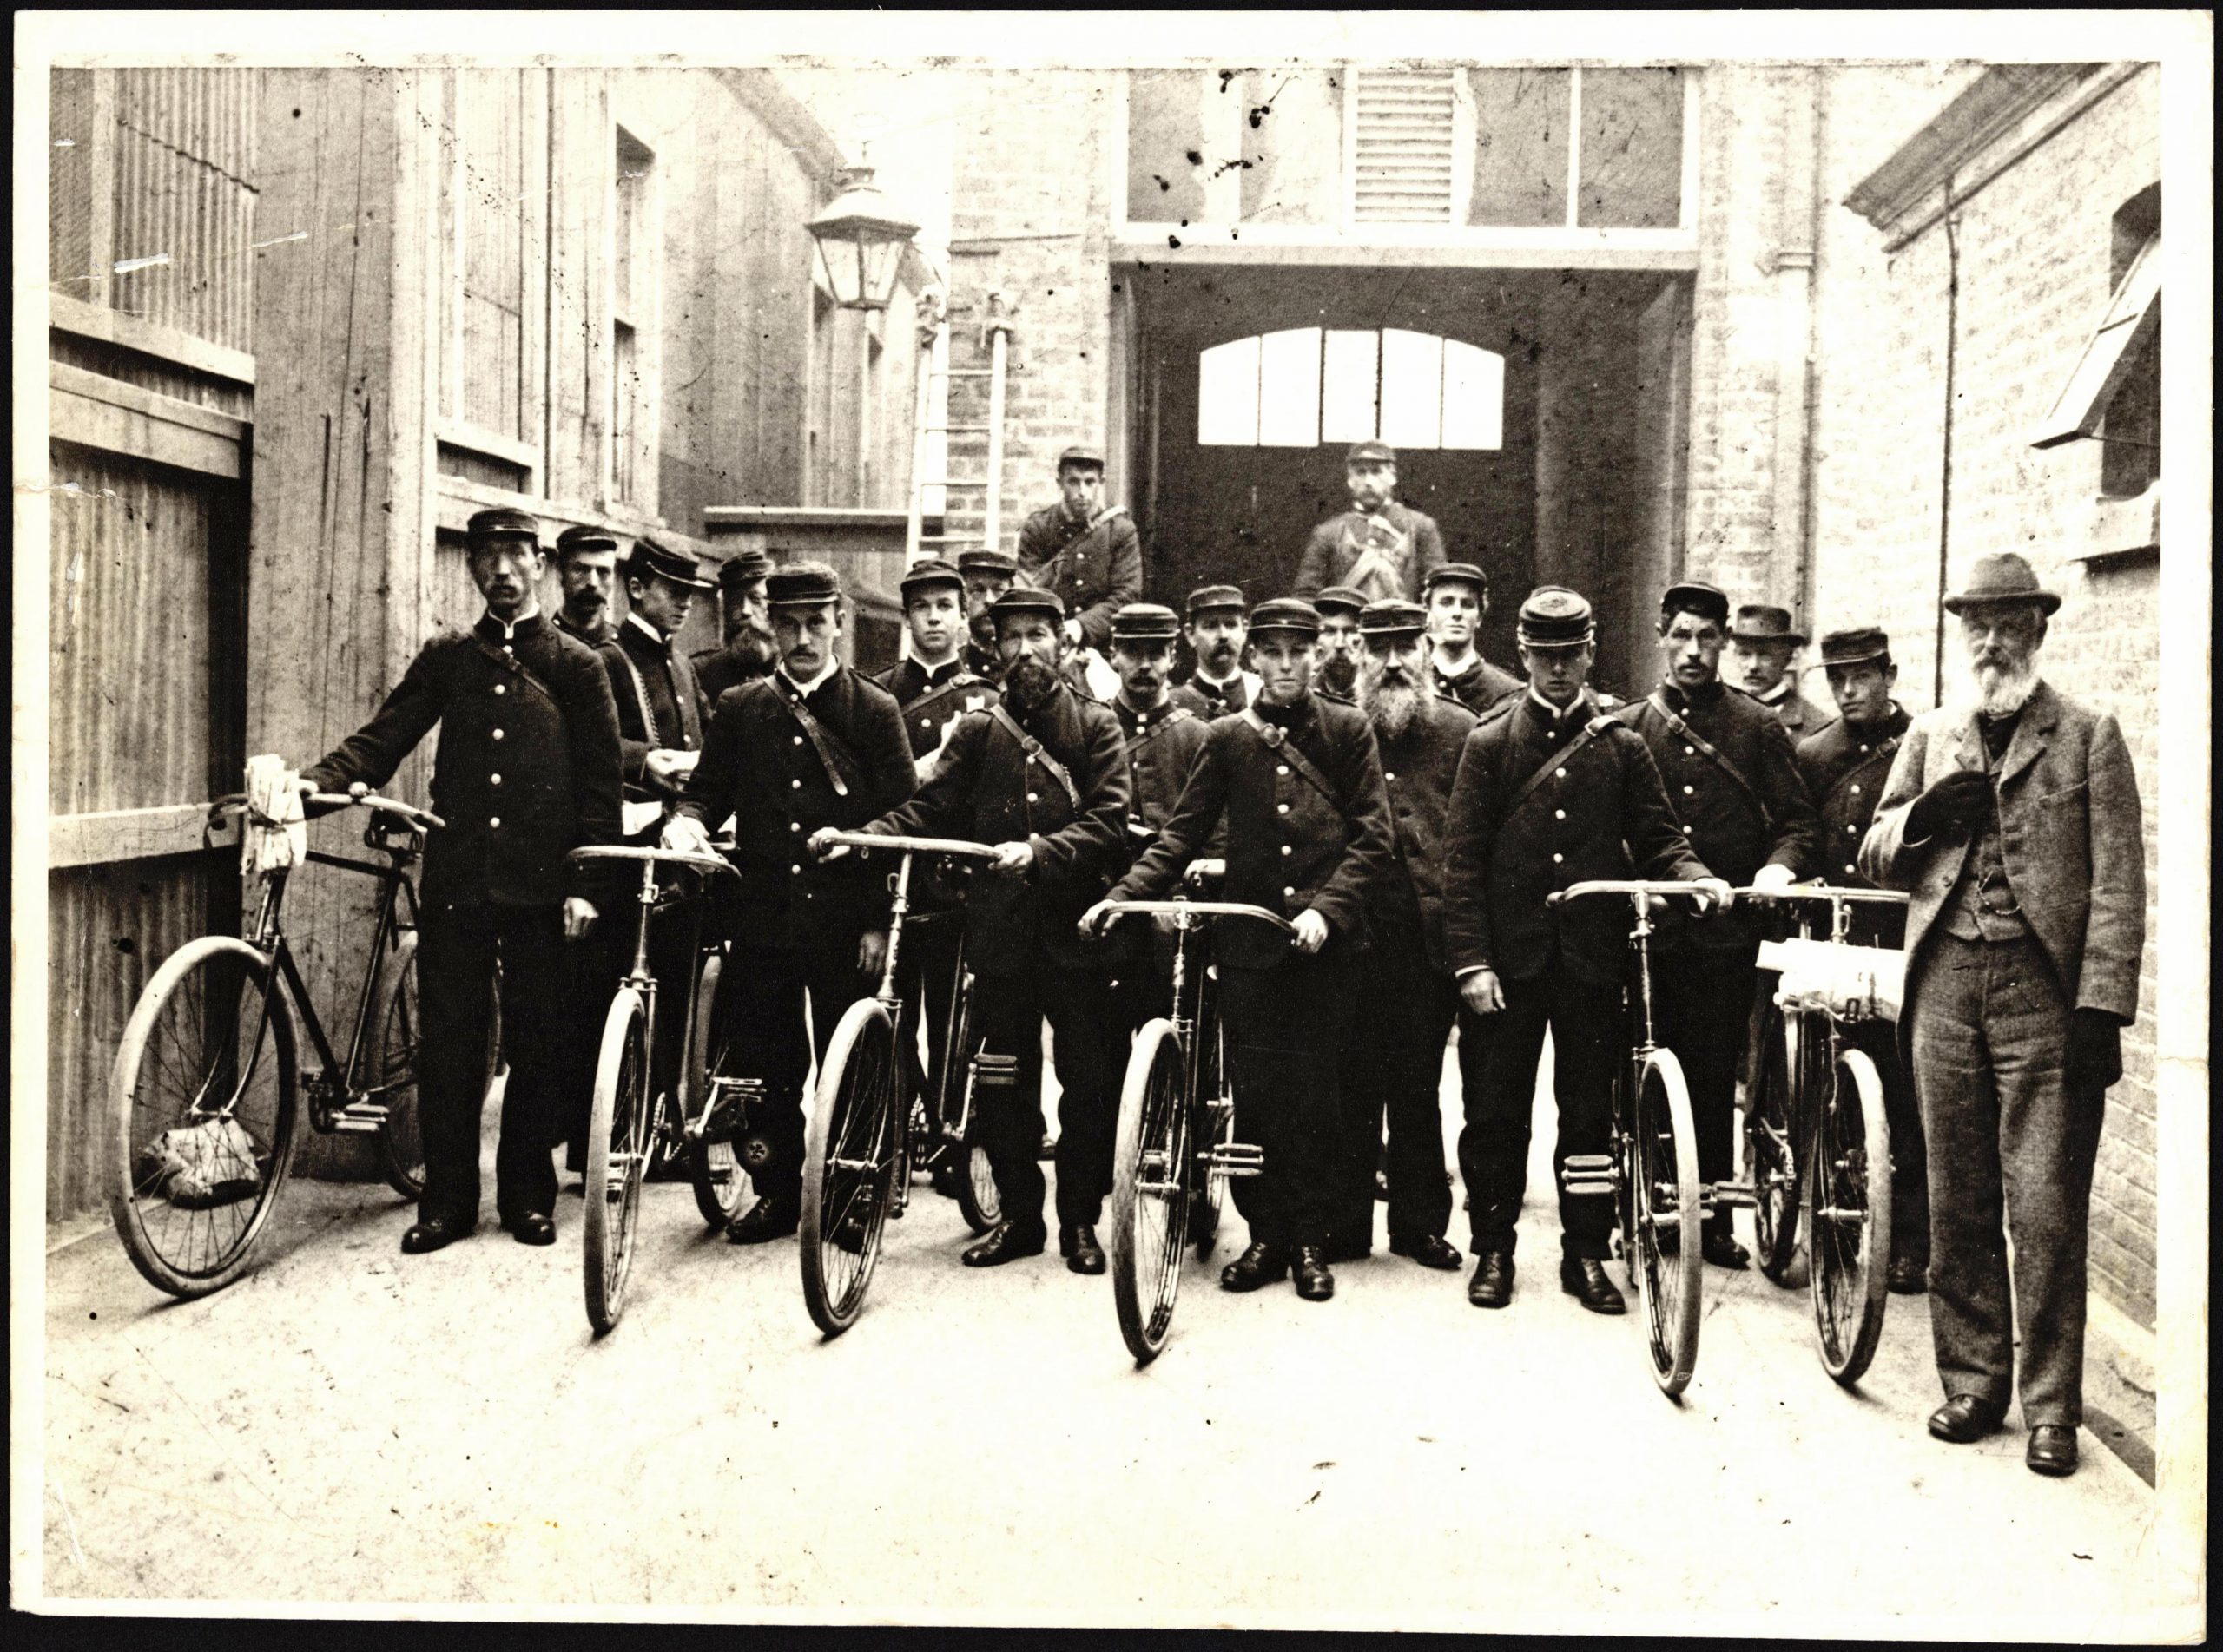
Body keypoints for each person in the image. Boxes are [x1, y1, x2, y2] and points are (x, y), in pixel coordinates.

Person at [1861, 552, 2145, 1478]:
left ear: (2038, 629)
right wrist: (1922, 820)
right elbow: (1871, 854)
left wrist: (2100, 1005)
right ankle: (1974, 1381)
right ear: (1960, 634)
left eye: (2009, 623)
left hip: (2040, 994)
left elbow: (2116, 887)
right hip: (1943, 980)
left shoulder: (2086, 735)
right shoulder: (1932, 735)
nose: (1992, 640)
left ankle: (2052, 1407)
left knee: (2047, 1204)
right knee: (1958, 1196)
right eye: (1976, 625)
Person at [301, 508, 622, 1254]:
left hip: (546, 887)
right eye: (488, 558)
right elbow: (383, 737)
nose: (503, 572)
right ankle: (446, 1202)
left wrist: (586, 884)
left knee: (540, 1037)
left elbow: (601, 787)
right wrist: (314, 782)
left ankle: (527, 1196)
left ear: (537, 565)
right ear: (473, 568)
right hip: (459, 881)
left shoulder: (577, 665)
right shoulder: (451, 656)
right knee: (451, 1042)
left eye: (515, 556)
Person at [1092, 599, 1396, 1304]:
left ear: (1318, 655)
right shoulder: (1229, 736)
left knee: (1317, 1094)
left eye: (1298, 651)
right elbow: (1183, 831)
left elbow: (1373, 839)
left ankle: (1311, 1238)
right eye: (1273, 651)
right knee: (1256, 1094)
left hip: (1325, 950)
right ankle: (1265, 1234)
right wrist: (1125, 894)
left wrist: (1328, 909)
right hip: (1252, 946)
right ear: (1255, 657)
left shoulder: (1348, 729)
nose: (1286, 664)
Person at [1446, 588, 1724, 1312]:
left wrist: (1695, 879)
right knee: (1495, 1110)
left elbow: (1661, 838)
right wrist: (1473, 962)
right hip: (1508, 967)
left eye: (1571, 655)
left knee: (1589, 1113)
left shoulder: (1621, 747)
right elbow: (1462, 865)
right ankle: (1494, 1249)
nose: (1559, 670)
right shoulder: (1490, 741)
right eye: (1545, 655)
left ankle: (1586, 1251)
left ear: (1590, 652)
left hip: (1591, 964)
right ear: (1524, 653)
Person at [842, 587, 1131, 1272]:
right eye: (1011, 638)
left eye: (1038, 634)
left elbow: (1111, 819)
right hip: (1000, 936)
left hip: (1077, 936)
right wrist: (860, 837)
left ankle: (1080, 1222)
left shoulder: (1096, 726)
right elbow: (931, 808)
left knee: (1086, 1082)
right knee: (1003, 1081)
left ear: (1063, 642)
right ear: (993, 649)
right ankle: (1021, 1219)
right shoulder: (978, 731)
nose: (1025, 649)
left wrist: (1041, 851)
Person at [663, 562, 916, 1244]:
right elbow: (705, 792)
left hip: (844, 919)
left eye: (815, 622)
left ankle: (851, 1194)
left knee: (852, 1056)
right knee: (766, 1061)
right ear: (771, 627)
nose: (803, 638)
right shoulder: (744, 708)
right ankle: (777, 1190)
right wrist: (685, 821)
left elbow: (902, 818)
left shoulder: (873, 709)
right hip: (764, 916)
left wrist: (873, 918)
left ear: (839, 622)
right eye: (789, 624)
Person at [1613, 580, 1820, 1269]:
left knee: (1712, 1071)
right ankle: (1641, 1207)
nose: (1695, 652)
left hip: (1729, 937)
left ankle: (1711, 1220)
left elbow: (1796, 822)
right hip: (1651, 933)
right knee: (1642, 1067)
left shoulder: (1756, 727)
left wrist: (1776, 871)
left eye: (1708, 639)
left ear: (1723, 644)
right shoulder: (1633, 726)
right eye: (1682, 637)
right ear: (1662, 638)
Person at [1323, 600, 1476, 1271]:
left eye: (1404, 646)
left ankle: (1420, 1226)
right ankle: (1345, 1223)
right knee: (1350, 1080)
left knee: (1417, 1086)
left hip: (1423, 937)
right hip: (1353, 935)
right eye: (1377, 646)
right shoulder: (1336, 731)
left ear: (1425, 649)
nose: (1392, 661)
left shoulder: (1464, 731)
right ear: (1357, 652)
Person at [1794, 625, 1927, 1295]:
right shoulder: (1815, 753)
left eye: (1862, 677)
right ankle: (1838, 1218)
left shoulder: (1922, 745)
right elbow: (1799, 831)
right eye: (1836, 678)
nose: (1848, 690)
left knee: (1903, 1090)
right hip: (1832, 937)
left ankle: (1907, 1236)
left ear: (1889, 674)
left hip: (1897, 940)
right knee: (1828, 1076)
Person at [874, 557, 999, 1198]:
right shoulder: (878, 692)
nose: (933, 619)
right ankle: (892, 1134)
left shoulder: (985, 698)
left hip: (954, 882)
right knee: (892, 1013)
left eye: (945, 607)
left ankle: (952, 1136)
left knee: (955, 1017)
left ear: (962, 615)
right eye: (921, 607)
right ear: (906, 616)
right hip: (898, 884)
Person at [1098, 602, 1212, 1041]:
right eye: (1132, 651)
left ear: (1173, 657)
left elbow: (1215, 836)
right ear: (1114, 655)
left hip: (1176, 919)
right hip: (1107, 908)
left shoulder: (1200, 737)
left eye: (1156, 652)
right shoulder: (1094, 729)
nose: (1145, 664)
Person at [600, 537, 713, 829]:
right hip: (631, 831)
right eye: (675, 591)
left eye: (689, 593)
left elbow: (712, 734)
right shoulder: (605, 660)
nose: (686, 603)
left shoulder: (683, 666)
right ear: (637, 588)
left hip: (686, 827)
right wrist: (642, 760)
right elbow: (586, 741)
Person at [1014, 444, 1144, 656]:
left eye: (1089, 482)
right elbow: (1030, 594)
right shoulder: (1038, 528)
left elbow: (1126, 596)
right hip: (1049, 648)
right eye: (1073, 482)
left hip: (1103, 648)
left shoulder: (1120, 531)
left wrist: (1081, 626)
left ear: (1100, 483)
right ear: (1060, 483)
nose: (1082, 492)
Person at [1294, 440, 1445, 602]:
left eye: (1376, 472)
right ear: (1350, 480)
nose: (1368, 482)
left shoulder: (1420, 527)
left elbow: (1439, 589)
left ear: (1392, 477)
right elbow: (1306, 595)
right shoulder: (1328, 533)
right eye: (1361, 472)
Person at [1422, 563, 1522, 714]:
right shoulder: (1414, 684)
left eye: (1467, 605)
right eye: (1446, 603)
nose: (1457, 613)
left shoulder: (1508, 691)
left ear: (1480, 616)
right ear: (1428, 612)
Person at [1728, 603, 1836, 737]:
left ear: (1787, 658)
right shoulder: (1719, 716)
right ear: (1734, 655)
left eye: (1765, 655)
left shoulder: (1818, 728)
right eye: (1745, 654)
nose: (1753, 666)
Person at [691, 548, 779, 704]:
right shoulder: (700, 673)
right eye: (735, 601)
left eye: (756, 599)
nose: (744, 610)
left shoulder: (798, 669)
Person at [1170, 584, 1261, 717]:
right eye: (1210, 626)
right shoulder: (1173, 704)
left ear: (1245, 630)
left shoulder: (1262, 694)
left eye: (1231, 624)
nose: (1223, 635)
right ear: (1190, 635)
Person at [551, 523, 620, 648]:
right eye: (581, 570)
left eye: (603, 572)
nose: (593, 583)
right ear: (560, 573)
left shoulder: (622, 648)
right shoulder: (543, 643)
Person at [956, 548, 1019, 681]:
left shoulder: (1026, 666)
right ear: (963, 600)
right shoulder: (953, 669)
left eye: (998, 590)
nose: (989, 600)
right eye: (978, 590)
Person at [1311, 585, 1367, 699]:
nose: (1339, 644)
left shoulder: (1375, 697)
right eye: (1329, 631)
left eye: (1351, 631)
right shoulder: (1302, 696)